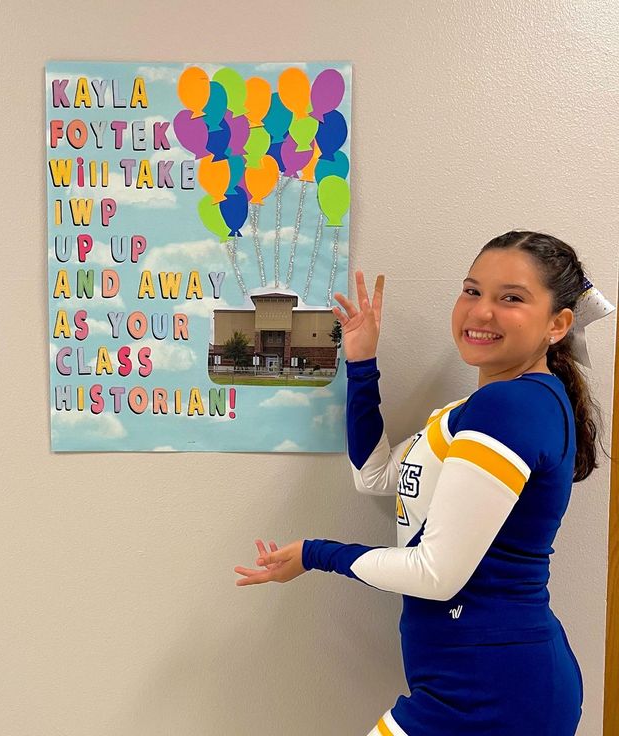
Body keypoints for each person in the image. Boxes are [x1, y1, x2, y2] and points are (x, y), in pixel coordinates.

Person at [234, 231, 616, 735]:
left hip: (495, 694)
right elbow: (376, 475)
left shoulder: (511, 409)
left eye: (511, 298)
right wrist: (363, 361)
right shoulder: (474, 412)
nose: (481, 312)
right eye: (472, 290)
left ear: (558, 324)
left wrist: (314, 553)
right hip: (472, 681)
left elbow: (437, 574)